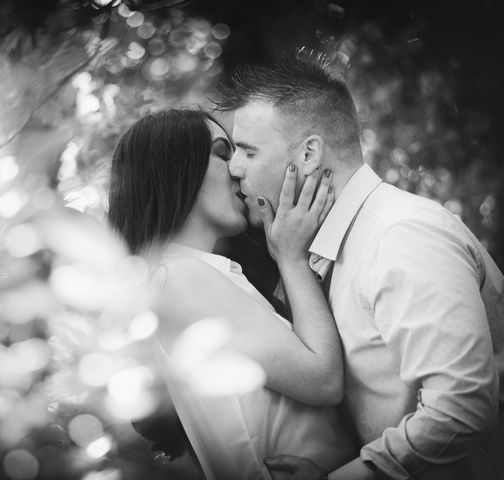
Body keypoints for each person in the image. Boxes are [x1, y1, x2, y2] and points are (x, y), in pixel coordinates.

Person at [216, 53, 504, 480]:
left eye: (247, 151)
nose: (234, 169)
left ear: (310, 153)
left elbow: (460, 410)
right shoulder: (325, 250)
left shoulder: (399, 236)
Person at [107, 109, 356, 479]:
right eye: (224, 152)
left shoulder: (185, 276)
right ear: (176, 167)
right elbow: (322, 379)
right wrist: (291, 258)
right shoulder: (178, 275)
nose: (238, 168)